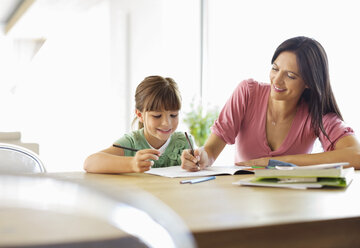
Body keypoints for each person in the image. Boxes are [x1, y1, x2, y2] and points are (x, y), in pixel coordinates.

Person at [181, 36, 360, 171]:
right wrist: (201, 157)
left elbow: (356, 155)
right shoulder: (248, 92)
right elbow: (211, 151)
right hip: (244, 201)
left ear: (308, 82)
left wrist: (275, 163)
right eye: (275, 68)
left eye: (290, 76)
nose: (277, 81)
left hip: (293, 203)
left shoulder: (316, 114)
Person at [84, 75, 193, 173]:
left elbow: (199, 166)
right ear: (140, 115)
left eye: (173, 115)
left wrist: (196, 163)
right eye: (157, 116)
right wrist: (131, 164)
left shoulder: (184, 142)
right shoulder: (131, 142)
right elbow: (90, 163)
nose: (166, 123)